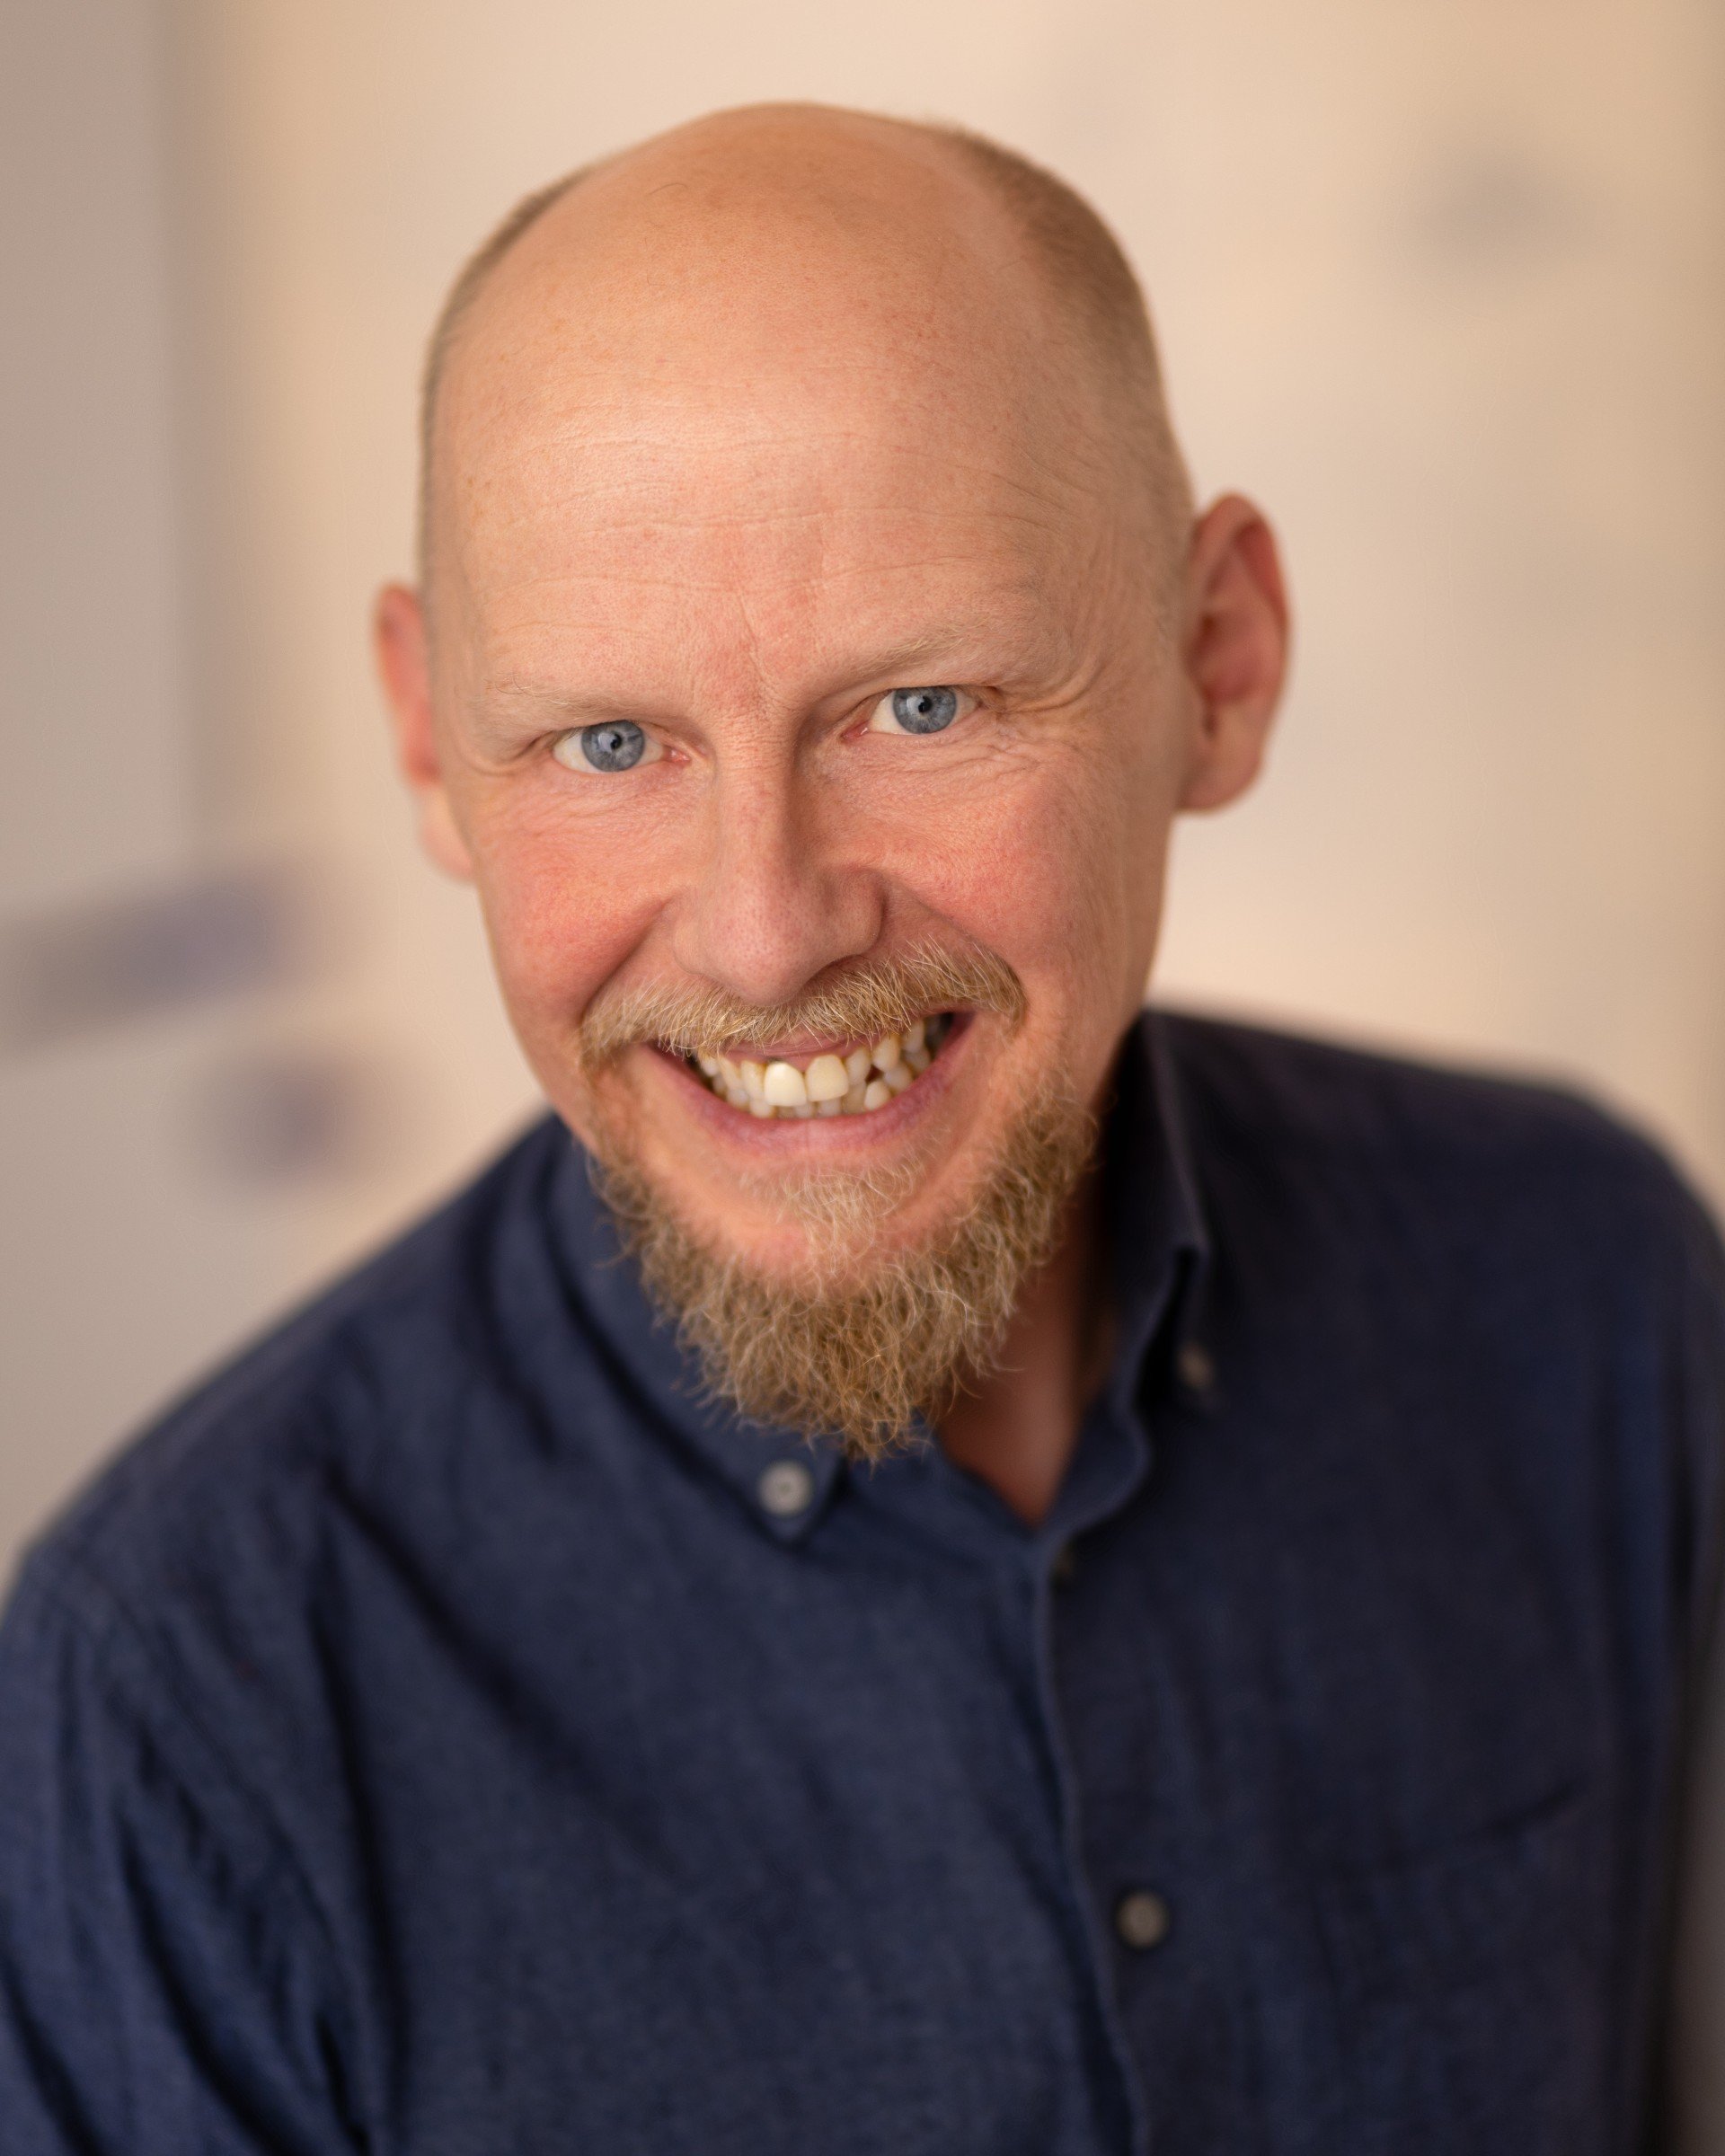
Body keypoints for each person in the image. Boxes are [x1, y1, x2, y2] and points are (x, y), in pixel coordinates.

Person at [1, 102, 1721, 2154]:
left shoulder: (1584, 1296)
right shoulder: (176, 1701)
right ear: (431, 739)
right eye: (607, 741)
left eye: (920, 707)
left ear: (1218, 661)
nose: (765, 929)